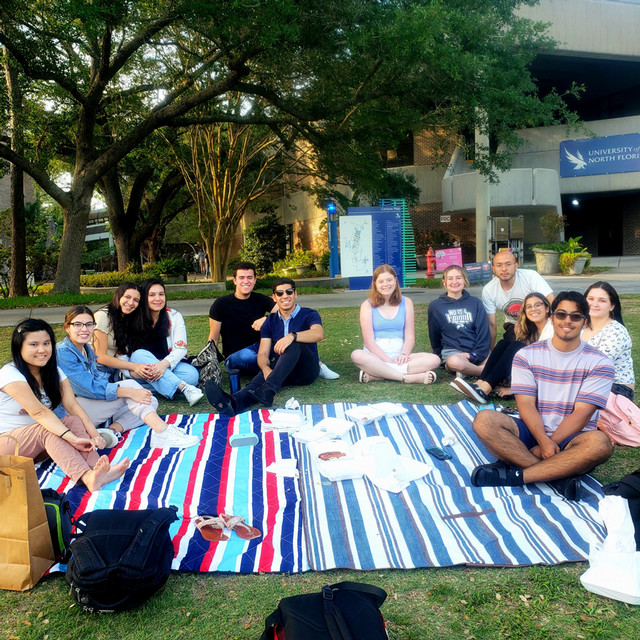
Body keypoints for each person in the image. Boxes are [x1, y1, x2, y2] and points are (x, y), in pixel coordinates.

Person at [471, 291, 614, 501]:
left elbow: (582, 413)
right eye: (561, 314)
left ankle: (518, 475)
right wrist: (543, 442)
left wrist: (549, 443)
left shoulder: (600, 362)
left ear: (585, 322)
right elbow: (526, 405)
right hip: (531, 430)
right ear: (552, 317)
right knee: (484, 420)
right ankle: (557, 477)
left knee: (600, 444)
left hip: (574, 437)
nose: (568, 320)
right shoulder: (526, 355)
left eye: (576, 316)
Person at [0, 319, 130, 492]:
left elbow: (72, 405)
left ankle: (97, 469)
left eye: (46, 343)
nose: (42, 350)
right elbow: (39, 412)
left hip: (37, 448)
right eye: (33, 344)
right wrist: (73, 439)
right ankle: (86, 477)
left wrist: (94, 435)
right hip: (8, 445)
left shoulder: (54, 372)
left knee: (72, 421)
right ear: (19, 348)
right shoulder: (10, 373)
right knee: (47, 428)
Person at [57, 306, 199, 449]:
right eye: (77, 324)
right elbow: (89, 388)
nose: (84, 329)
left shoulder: (86, 350)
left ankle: (110, 431)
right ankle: (162, 431)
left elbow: (100, 380)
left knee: (150, 401)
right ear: (67, 328)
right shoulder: (63, 352)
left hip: (91, 408)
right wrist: (128, 391)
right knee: (131, 388)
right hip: (72, 414)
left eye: (89, 324)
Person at [204, 278, 324, 415]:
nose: (285, 296)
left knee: (294, 343)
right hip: (282, 370)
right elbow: (262, 354)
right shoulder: (270, 321)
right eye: (279, 293)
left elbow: (318, 333)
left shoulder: (309, 314)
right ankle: (234, 403)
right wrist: (266, 369)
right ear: (274, 297)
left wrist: (292, 336)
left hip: (306, 370)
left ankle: (269, 389)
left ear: (295, 294)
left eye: (289, 292)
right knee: (263, 376)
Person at [207, 261, 339, 379]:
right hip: (238, 356)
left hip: (264, 347)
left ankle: (316, 363)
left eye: (249, 278)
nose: (245, 281)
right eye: (241, 278)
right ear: (234, 280)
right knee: (250, 357)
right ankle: (287, 365)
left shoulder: (261, 299)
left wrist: (265, 319)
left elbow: (285, 311)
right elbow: (213, 338)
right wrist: (210, 364)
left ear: (255, 280)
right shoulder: (221, 304)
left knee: (293, 329)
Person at [451, 292, 553, 403]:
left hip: (548, 375)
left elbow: (549, 365)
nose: (533, 309)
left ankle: (485, 389)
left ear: (547, 308)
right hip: (532, 372)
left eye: (538, 305)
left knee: (517, 347)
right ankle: (479, 384)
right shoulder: (532, 331)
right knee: (503, 343)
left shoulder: (552, 328)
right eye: (529, 306)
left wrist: (513, 389)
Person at [350, 264, 440, 383]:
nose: (386, 284)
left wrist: (403, 354)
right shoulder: (367, 305)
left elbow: (410, 336)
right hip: (375, 355)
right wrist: (386, 360)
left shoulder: (406, 302)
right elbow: (368, 342)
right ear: (375, 284)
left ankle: (378, 374)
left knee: (434, 360)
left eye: (389, 280)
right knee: (356, 355)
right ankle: (407, 378)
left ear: (395, 281)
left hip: (399, 354)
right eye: (381, 281)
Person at [127, 279, 203, 405]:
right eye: (152, 295)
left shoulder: (173, 316)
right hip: (140, 368)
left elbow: (180, 348)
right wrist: (132, 371)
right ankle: (184, 388)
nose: (158, 298)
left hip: (167, 366)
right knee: (138, 354)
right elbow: (122, 353)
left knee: (191, 375)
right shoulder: (132, 319)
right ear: (144, 297)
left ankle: (146, 388)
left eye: (161, 294)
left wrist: (164, 365)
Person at [482, 249, 554, 348]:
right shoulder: (489, 290)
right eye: (499, 265)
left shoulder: (530, 277)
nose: (504, 269)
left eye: (508, 264)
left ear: (516, 265)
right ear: (493, 269)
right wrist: (490, 351)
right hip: (513, 325)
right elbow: (492, 325)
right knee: (507, 349)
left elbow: (552, 303)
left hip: (538, 320)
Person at [428, 265, 490, 378]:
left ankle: (468, 371)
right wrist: (438, 354)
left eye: (458, 278)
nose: (454, 282)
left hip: (476, 350)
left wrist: (474, 355)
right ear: (444, 282)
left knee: (495, 358)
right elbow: (434, 334)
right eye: (450, 278)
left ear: (465, 280)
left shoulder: (475, 302)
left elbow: (484, 332)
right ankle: (483, 372)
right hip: (453, 352)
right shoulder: (435, 306)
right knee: (454, 362)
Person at [93, 282, 155, 381]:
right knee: (144, 377)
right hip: (97, 368)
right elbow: (100, 357)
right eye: (127, 297)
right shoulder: (103, 316)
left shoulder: (125, 318)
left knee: (150, 374)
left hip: (115, 367)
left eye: (136, 300)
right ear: (118, 296)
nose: (131, 303)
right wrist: (134, 366)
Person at [583, 281, 634, 400]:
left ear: (612, 306)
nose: (594, 304)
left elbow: (597, 368)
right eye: (590, 299)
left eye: (602, 300)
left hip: (616, 388)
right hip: (588, 381)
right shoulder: (581, 326)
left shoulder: (616, 331)